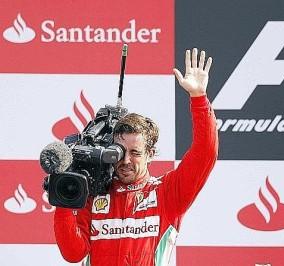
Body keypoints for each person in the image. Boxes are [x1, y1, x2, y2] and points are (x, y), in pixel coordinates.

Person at [53, 48, 218, 266]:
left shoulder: (168, 192)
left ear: (150, 154)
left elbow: (205, 153)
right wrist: (64, 197)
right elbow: (73, 253)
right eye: (119, 152)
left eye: (135, 153)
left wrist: (199, 98)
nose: (126, 160)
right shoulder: (94, 192)